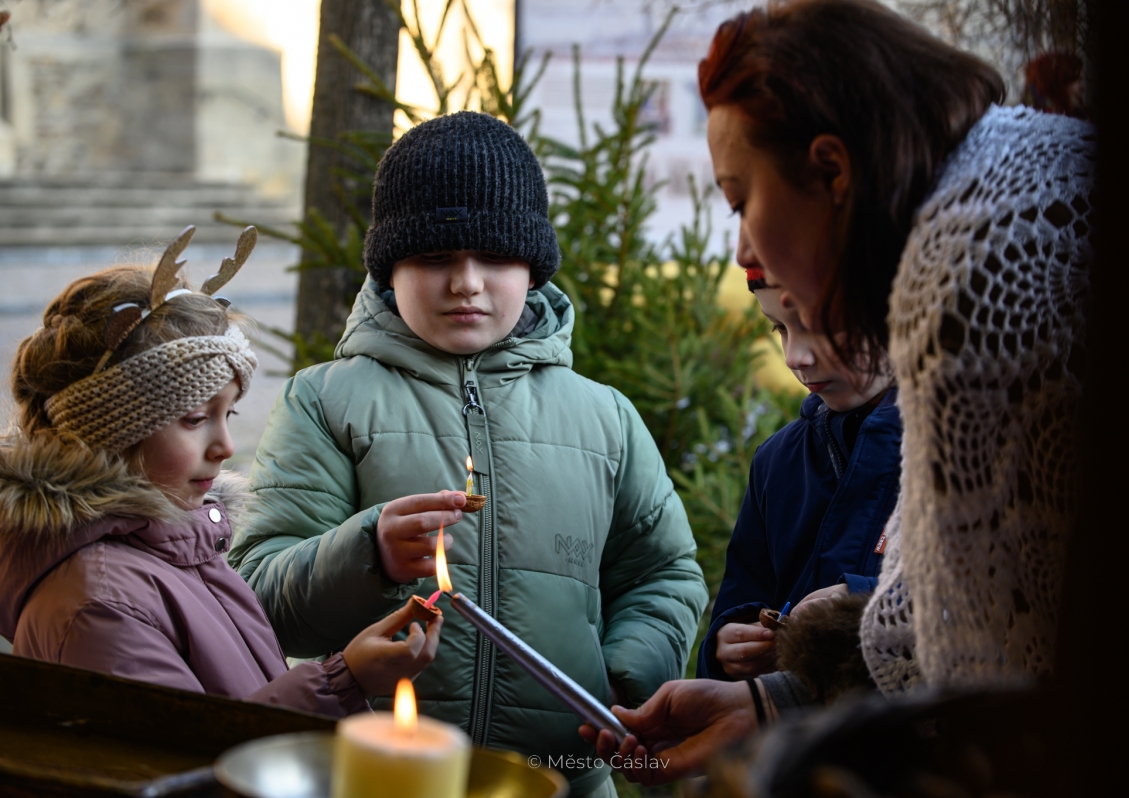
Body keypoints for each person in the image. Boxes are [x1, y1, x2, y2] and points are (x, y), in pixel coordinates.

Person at [583, 0, 1094, 783]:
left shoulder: (979, 265)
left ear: (832, 170)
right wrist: (766, 702)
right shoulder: (992, 200)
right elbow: (933, 626)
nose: (744, 246)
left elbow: (986, 666)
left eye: (740, 200)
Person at [228, 111, 708, 798]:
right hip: (377, 780)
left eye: (495, 257)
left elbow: (664, 573)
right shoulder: (325, 402)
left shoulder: (605, 418)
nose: (466, 282)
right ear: (389, 266)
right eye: (435, 258)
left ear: (533, 268)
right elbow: (258, 594)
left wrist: (621, 677)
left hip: (563, 780)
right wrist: (368, 552)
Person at [0, 247, 442, 717]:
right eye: (195, 418)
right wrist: (344, 681)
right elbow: (176, 750)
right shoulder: (99, 603)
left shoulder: (179, 543)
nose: (226, 447)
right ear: (106, 428)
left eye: (228, 414)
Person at [697, 266, 900, 682]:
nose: (794, 358)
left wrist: (863, 603)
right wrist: (728, 645)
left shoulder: (967, 449)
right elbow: (745, 593)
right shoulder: (776, 461)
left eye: (817, 326)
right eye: (780, 329)